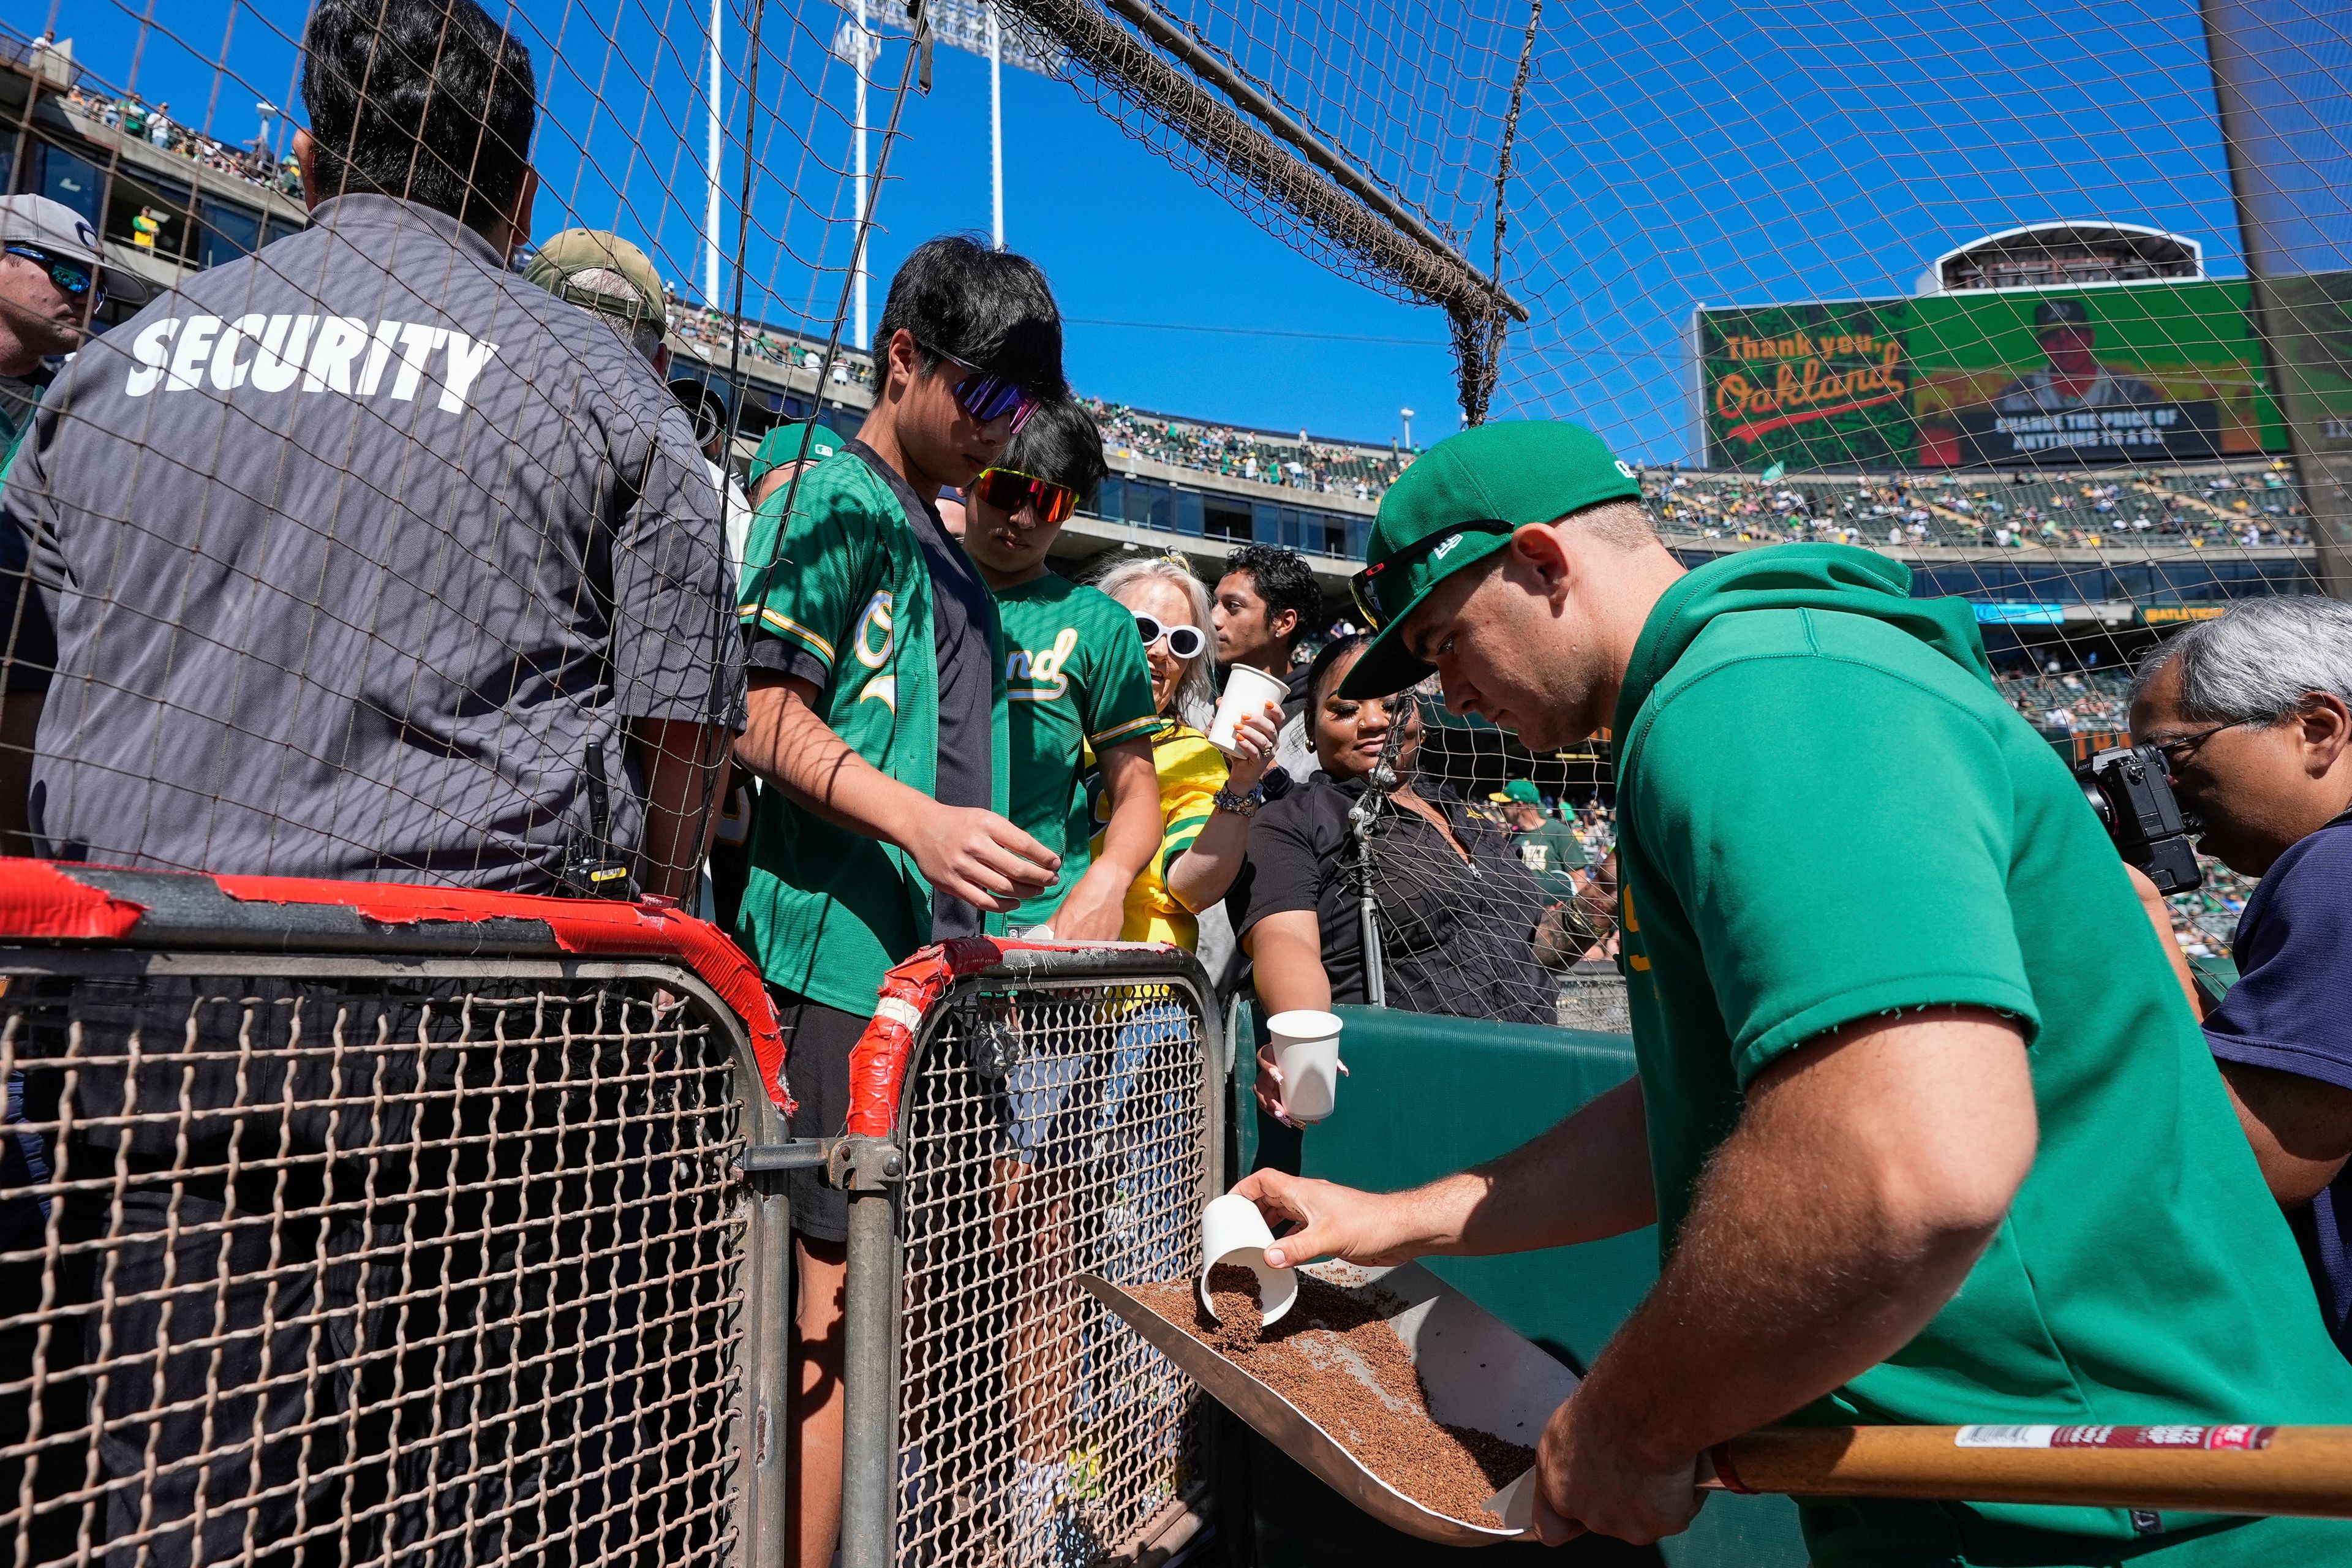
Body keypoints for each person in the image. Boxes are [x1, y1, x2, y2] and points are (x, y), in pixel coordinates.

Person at [1233, 418, 2352, 1564]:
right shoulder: (1753, 684)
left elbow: (1900, 1165)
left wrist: (1627, 1416)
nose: (1450, 695)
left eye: (1447, 640)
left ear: (1540, 562)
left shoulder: (1766, 693)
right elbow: (1728, 1110)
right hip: (2036, 1480)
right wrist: (1396, 1220)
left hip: (2121, 1501)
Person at [4, 7, 741, 1566]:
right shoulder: (609, 392)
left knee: (165, 1500)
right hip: (468, 1054)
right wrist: (658, 930)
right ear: (521, 198)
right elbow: (683, 742)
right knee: (465, 1505)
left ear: (308, 155)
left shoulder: (112, 368)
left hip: (132, 1019)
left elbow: (28, 692)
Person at [728, 232, 1066, 1568]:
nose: (1002, 433)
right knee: (833, 1313)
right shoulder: (828, 495)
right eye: (984, 396)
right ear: (903, 358)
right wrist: (922, 823)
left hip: (924, 978)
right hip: (830, 969)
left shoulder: (946, 534)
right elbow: (756, 714)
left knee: (928, 1305)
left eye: (1021, 413)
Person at [2125, 597, 2352, 1361]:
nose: (2163, 794)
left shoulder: (2337, 870)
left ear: (2316, 729)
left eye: (2172, 758)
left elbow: (2249, 1167)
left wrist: (2140, 919)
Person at [1230, 633, 1566, 1105]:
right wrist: (1303, 1046)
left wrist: (1607, 890)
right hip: (1410, 1088)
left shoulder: (1471, 819)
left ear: (1420, 721)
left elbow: (1531, 945)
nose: (1373, 722)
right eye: (1345, 710)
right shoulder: (1295, 819)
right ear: (1309, 728)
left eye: (1392, 706)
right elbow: (1285, 942)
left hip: (1540, 1078)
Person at [958, 399, 1162, 939]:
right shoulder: (907, 585)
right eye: (1006, 491)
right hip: (891, 911)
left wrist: (1111, 877)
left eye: (1048, 502)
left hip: (1034, 926)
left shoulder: (1101, 625)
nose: (1022, 518)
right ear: (967, 478)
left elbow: (1138, 789)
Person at [0, 196, 147, 852]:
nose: (87, 299)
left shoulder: (87, 411)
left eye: (97, 286)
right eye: (70, 275)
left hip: (37, 714)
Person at [1088, 555, 1279, 948]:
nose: (1161, 651)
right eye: (1143, 629)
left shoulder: (1193, 754)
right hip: (1023, 972)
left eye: (1182, 640)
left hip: (1141, 997)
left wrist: (1242, 785)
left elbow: (1193, 890)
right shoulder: (1049, 730)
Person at [1210, 541, 1319, 783]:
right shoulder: (1194, 697)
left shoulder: (1321, 715)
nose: (1214, 618)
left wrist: (1268, 773)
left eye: (1233, 606)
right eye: (1215, 603)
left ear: (1283, 622)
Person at [1993, 298, 2161, 414]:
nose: (2064, 346)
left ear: (2091, 337)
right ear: (2040, 345)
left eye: (2073, 333)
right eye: (2052, 337)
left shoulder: (2132, 391)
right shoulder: (2017, 395)